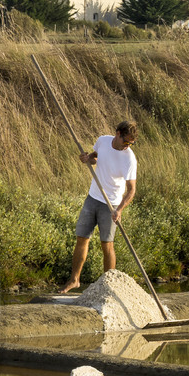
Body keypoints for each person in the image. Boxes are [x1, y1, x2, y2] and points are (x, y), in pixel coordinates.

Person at [60, 120, 139, 293]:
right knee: (82, 238)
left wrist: (119, 210)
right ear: (117, 133)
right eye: (126, 141)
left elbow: (131, 190)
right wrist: (87, 159)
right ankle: (74, 280)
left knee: (107, 244)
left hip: (111, 204)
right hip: (93, 197)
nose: (127, 146)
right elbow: (96, 157)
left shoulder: (129, 159)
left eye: (131, 143)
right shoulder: (103, 140)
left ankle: (108, 286)